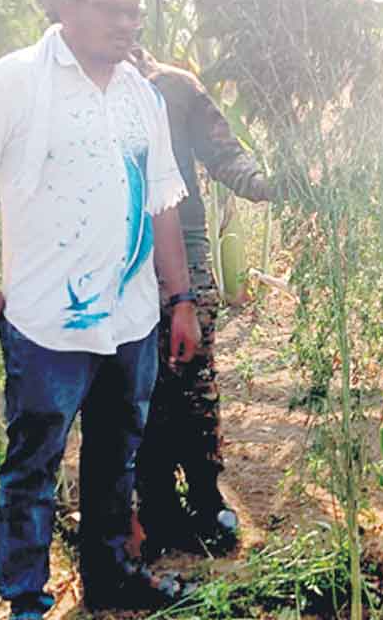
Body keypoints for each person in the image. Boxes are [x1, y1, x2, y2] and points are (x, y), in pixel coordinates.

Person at [0, 0, 200, 619]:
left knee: (116, 460)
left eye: (136, 11)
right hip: (48, 322)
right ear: (66, 6)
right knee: (34, 468)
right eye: (112, 10)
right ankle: (25, 600)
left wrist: (181, 298)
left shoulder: (142, 94)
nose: (128, 24)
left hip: (131, 321)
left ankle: (111, 578)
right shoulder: (13, 82)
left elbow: (163, 202)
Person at [129, 48, 274, 558]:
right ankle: (155, 504)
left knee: (192, 374)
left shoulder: (175, 87)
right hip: (111, 258)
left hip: (182, 249)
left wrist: (264, 184)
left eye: (130, 16)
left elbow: (224, 152)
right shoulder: (75, 89)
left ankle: (207, 496)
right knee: (133, 385)